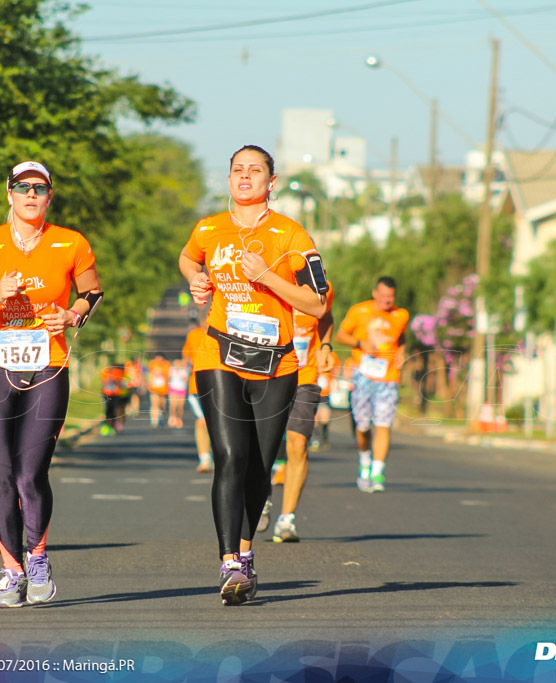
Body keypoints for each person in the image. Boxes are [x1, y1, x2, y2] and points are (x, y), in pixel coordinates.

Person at [179, 144, 328, 605]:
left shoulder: (291, 235)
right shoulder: (209, 228)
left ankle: (245, 555)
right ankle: (227, 560)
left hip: (276, 361)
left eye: (255, 170)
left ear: (271, 181)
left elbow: (316, 302)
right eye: (238, 170)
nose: (245, 177)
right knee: (229, 455)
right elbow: (189, 258)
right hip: (219, 352)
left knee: (261, 464)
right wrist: (195, 279)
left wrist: (266, 276)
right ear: (228, 180)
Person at [0, 161, 102, 608]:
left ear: (49, 196)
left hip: (48, 366)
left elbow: (91, 292)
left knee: (31, 473)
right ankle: (11, 572)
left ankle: (36, 560)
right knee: (2, 476)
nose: (31, 195)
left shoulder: (70, 242)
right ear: (9, 194)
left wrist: (73, 315)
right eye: (23, 187)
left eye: (40, 188)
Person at [268, 287, 335, 543]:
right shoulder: (269, 280)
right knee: (263, 443)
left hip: (305, 375)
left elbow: (325, 316)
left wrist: (326, 345)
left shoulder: (322, 287)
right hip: (267, 374)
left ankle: (287, 518)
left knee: (298, 441)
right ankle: (261, 497)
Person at [336, 276, 409, 493]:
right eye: (384, 295)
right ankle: (365, 458)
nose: (387, 300)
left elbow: (401, 337)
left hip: (388, 377)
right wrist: (359, 343)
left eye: (391, 296)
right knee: (363, 426)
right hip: (362, 374)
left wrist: (402, 352)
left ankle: (378, 472)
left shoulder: (401, 315)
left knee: (384, 423)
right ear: (375, 293)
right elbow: (340, 335)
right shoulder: (360, 311)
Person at [182, 317, 213, 472]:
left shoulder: (228, 333)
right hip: (198, 385)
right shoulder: (194, 335)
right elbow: (186, 356)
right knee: (201, 421)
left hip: (225, 384)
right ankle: (205, 458)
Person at [311, 346, 341, 450]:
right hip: (312, 389)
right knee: (313, 418)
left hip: (325, 392)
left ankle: (324, 438)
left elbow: (336, 368)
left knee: (325, 418)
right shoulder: (311, 352)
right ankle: (314, 440)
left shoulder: (332, 355)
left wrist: (336, 381)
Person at [100, 363, 126, 436]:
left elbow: (120, 382)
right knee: (107, 410)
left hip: (115, 394)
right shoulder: (105, 372)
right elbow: (103, 382)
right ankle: (106, 426)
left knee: (114, 410)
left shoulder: (118, 372)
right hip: (107, 393)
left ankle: (113, 425)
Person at [147, 353, 171, 428]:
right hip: (154, 388)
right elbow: (149, 374)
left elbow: (169, 375)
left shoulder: (167, 365)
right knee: (154, 404)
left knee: (162, 405)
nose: (159, 360)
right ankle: (154, 420)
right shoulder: (152, 364)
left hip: (163, 389)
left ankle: (160, 417)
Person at [167, 358, 189, 428]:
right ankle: (172, 417)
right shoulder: (171, 370)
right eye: (175, 363)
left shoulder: (184, 370)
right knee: (173, 405)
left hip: (182, 389)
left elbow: (186, 379)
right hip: (173, 389)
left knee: (180, 406)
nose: (177, 365)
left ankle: (179, 418)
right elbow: (168, 378)